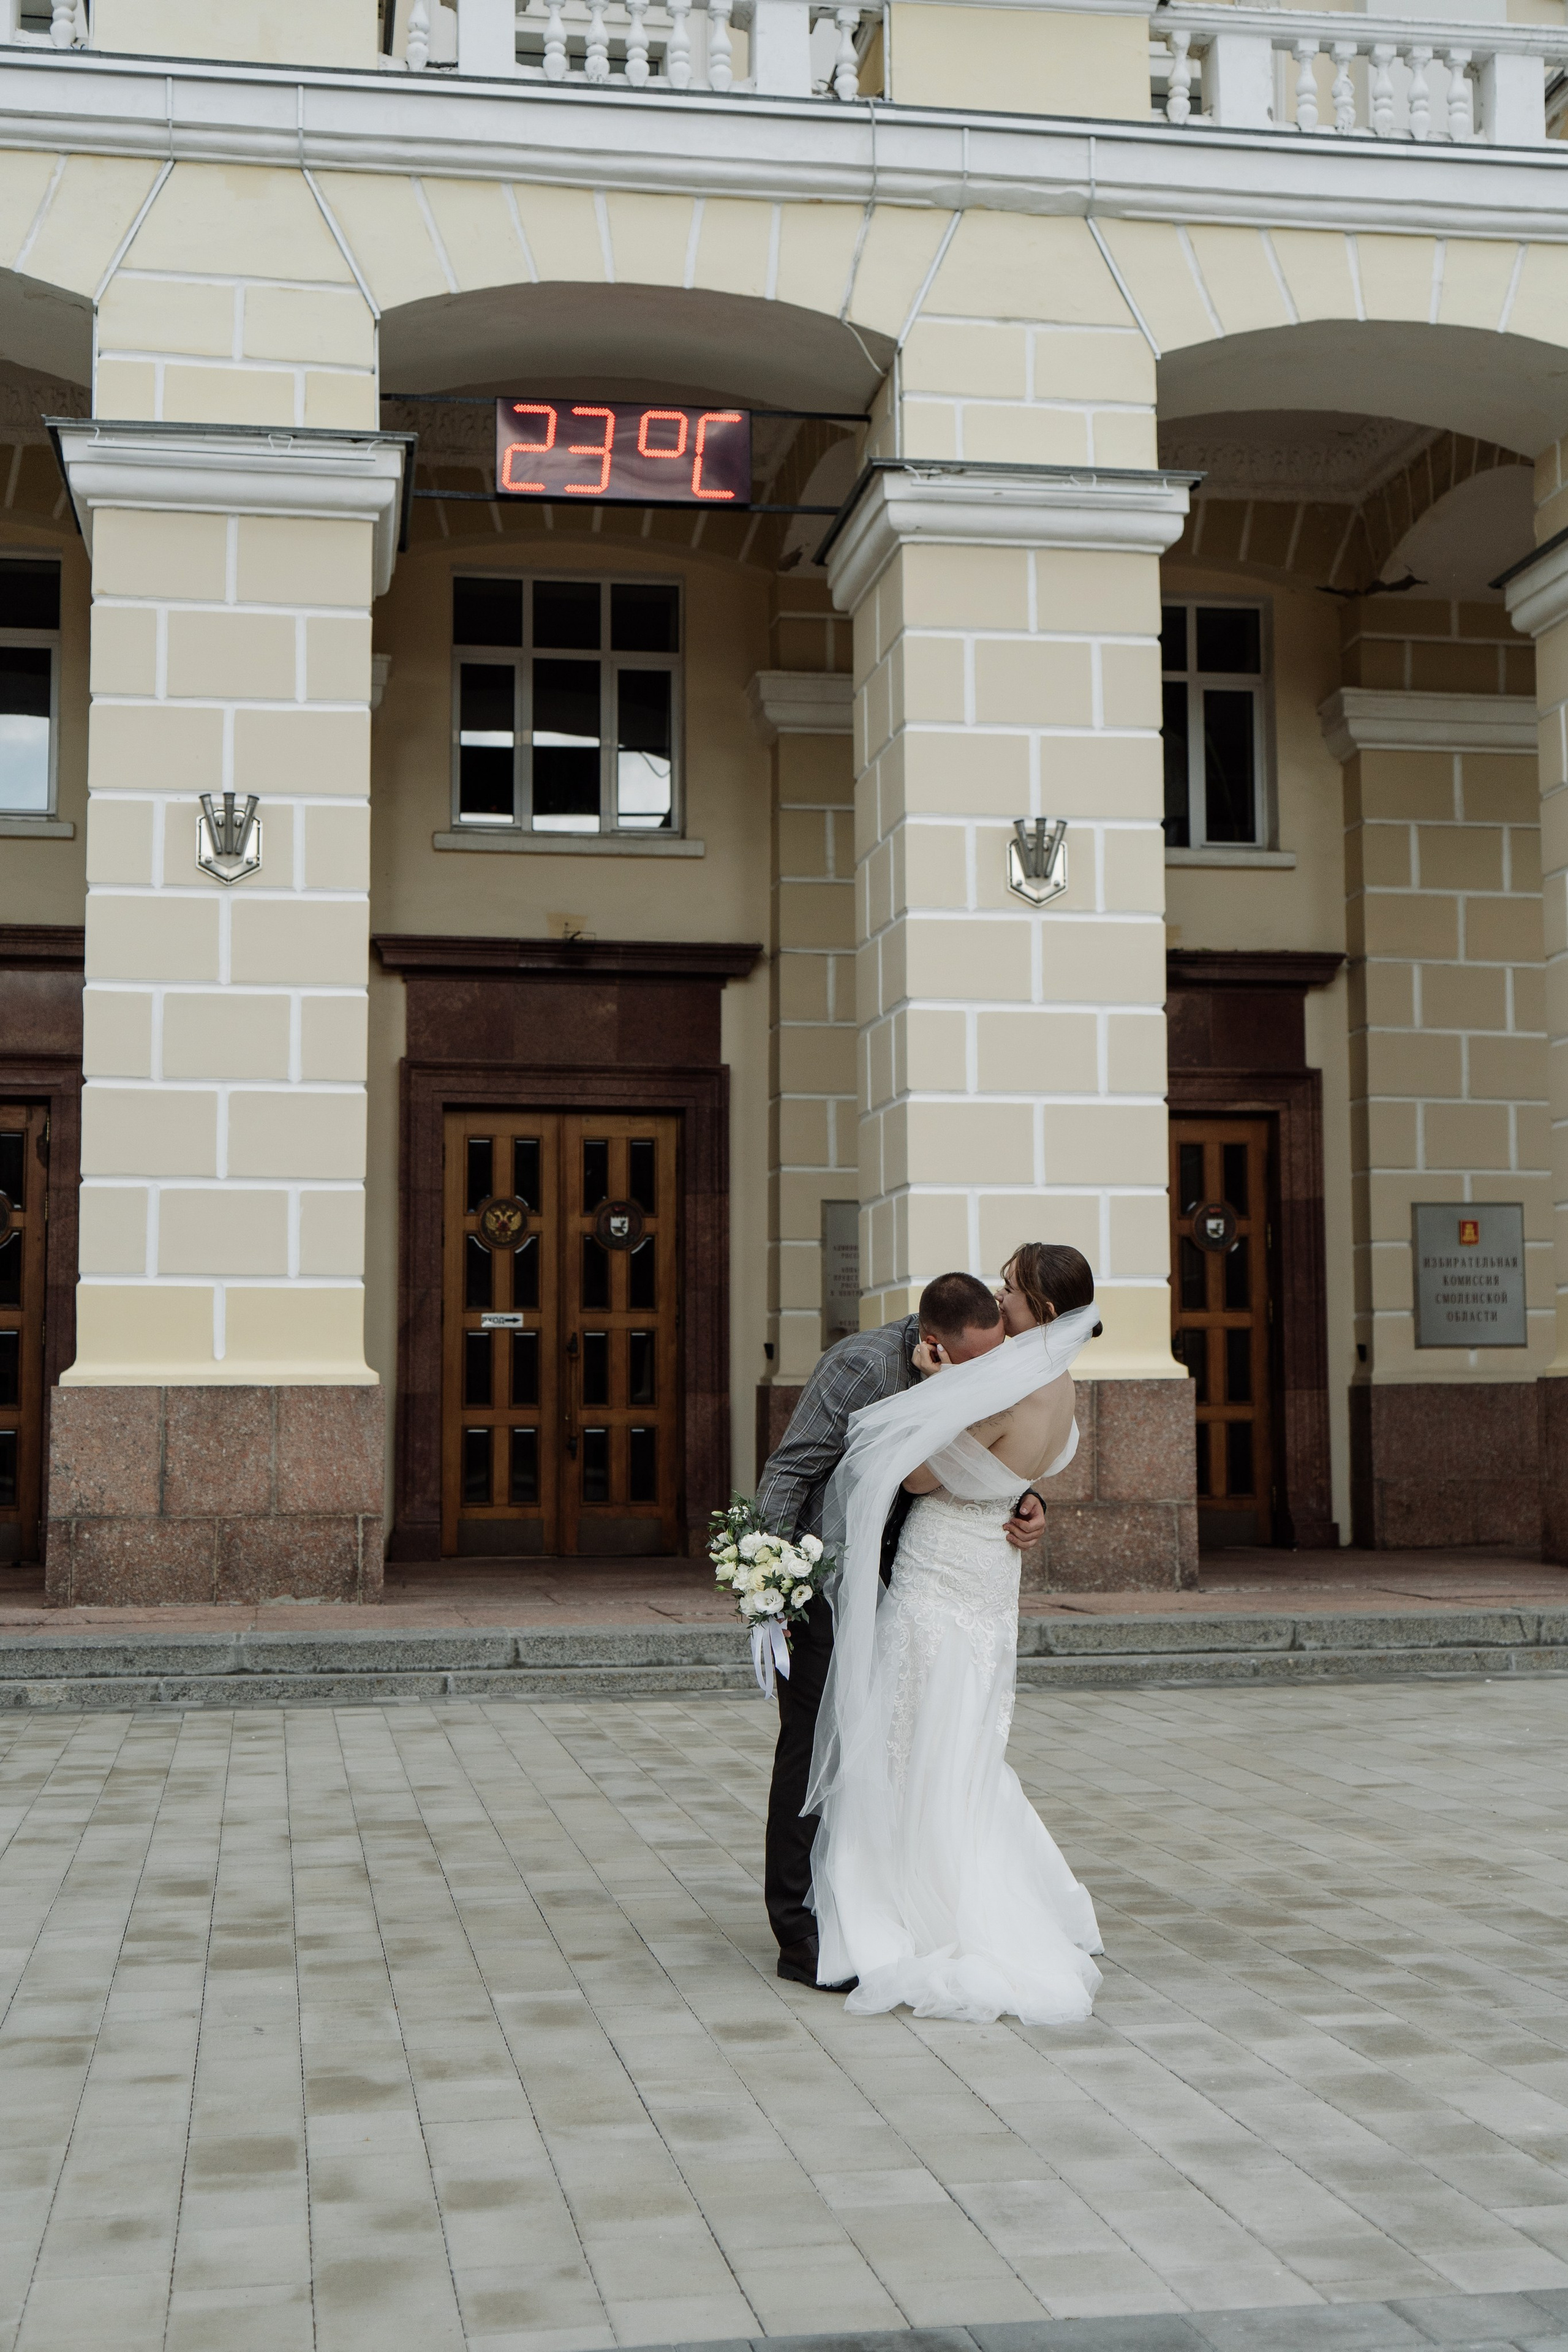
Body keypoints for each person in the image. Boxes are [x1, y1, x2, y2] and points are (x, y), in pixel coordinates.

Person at [807, 1245, 1103, 2025]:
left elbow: (918, 1477)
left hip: (941, 1569)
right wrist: (1027, 1499)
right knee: (962, 1734)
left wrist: (938, 1389)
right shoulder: (1061, 1380)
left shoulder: (1006, 1388)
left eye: (1010, 1289)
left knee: (911, 1733)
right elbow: (1014, 1472)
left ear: (1041, 1308)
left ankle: (920, 1904)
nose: (999, 1297)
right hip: (991, 1575)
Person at [754, 1271, 1048, 1991]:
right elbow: (792, 1469)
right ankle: (797, 1932)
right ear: (932, 1343)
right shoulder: (860, 1367)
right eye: (971, 1363)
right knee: (813, 1745)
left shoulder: (979, 1357)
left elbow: (976, 1453)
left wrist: (1025, 1498)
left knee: (875, 1750)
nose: (986, 1375)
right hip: (828, 1580)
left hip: (906, 1586)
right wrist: (770, 1589)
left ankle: (853, 1904)